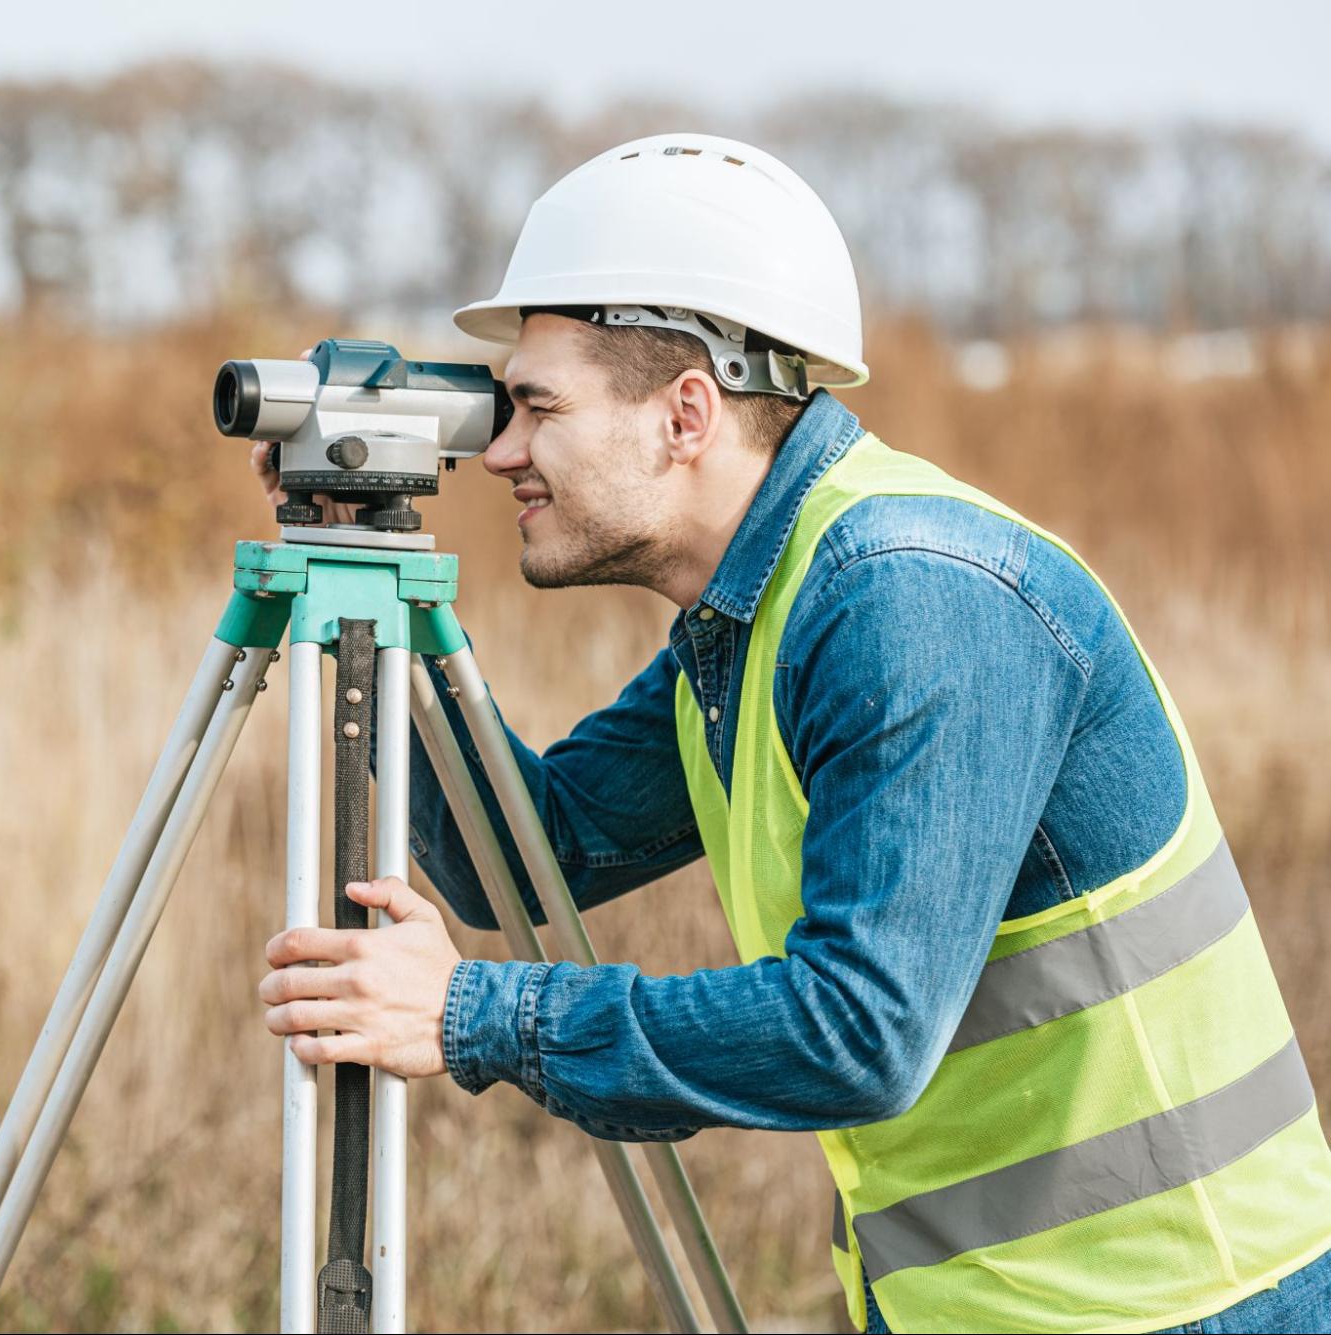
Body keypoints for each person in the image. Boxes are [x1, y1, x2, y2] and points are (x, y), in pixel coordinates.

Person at [250, 134, 1331, 1334]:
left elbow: (856, 1032)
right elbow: (532, 856)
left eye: (536, 406)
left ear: (687, 413)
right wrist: (365, 574)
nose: (498, 450)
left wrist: (474, 1016)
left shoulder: (911, 601)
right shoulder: (755, 612)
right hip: (973, 1303)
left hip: (1173, 1303)